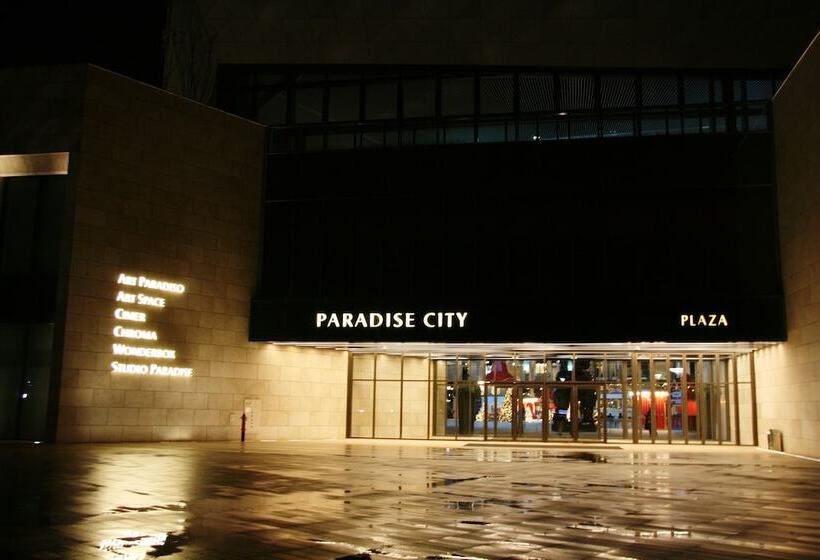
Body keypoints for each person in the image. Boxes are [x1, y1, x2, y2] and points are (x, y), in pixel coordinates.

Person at [457, 370, 481, 435]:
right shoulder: (470, 384)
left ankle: (464, 431)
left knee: (465, 417)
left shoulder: (461, 384)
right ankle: (467, 431)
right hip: (466, 401)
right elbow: (477, 392)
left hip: (466, 401)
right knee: (467, 417)